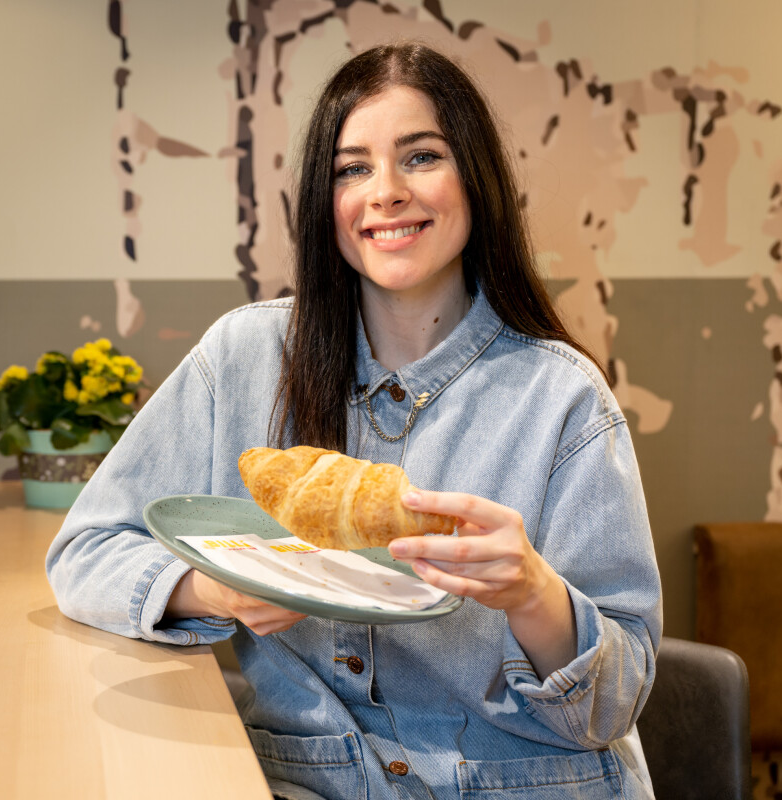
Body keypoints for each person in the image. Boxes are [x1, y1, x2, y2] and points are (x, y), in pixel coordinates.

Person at [47, 42, 662, 800]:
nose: (387, 193)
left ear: (477, 178)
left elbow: (617, 702)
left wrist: (534, 592)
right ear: (323, 198)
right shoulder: (244, 358)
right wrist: (216, 591)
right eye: (353, 168)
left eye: (422, 157)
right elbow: (83, 554)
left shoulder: (563, 398)